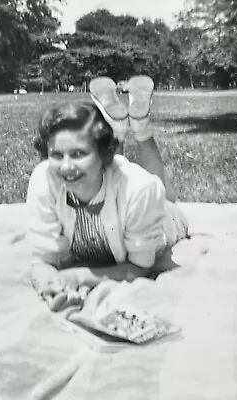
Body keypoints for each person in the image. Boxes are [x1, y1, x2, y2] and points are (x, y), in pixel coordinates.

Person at [26, 75, 188, 311]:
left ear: (103, 155)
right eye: (57, 155)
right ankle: (119, 127)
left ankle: (140, 127)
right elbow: (42, 260)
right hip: (114, 199)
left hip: (165, 221)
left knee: (163, 196)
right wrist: (51, 284)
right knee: (118, 174)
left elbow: (140, 267)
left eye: (79, 154)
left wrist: (79, 277)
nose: (66, 166)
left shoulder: (140, 188)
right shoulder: (43, 179)